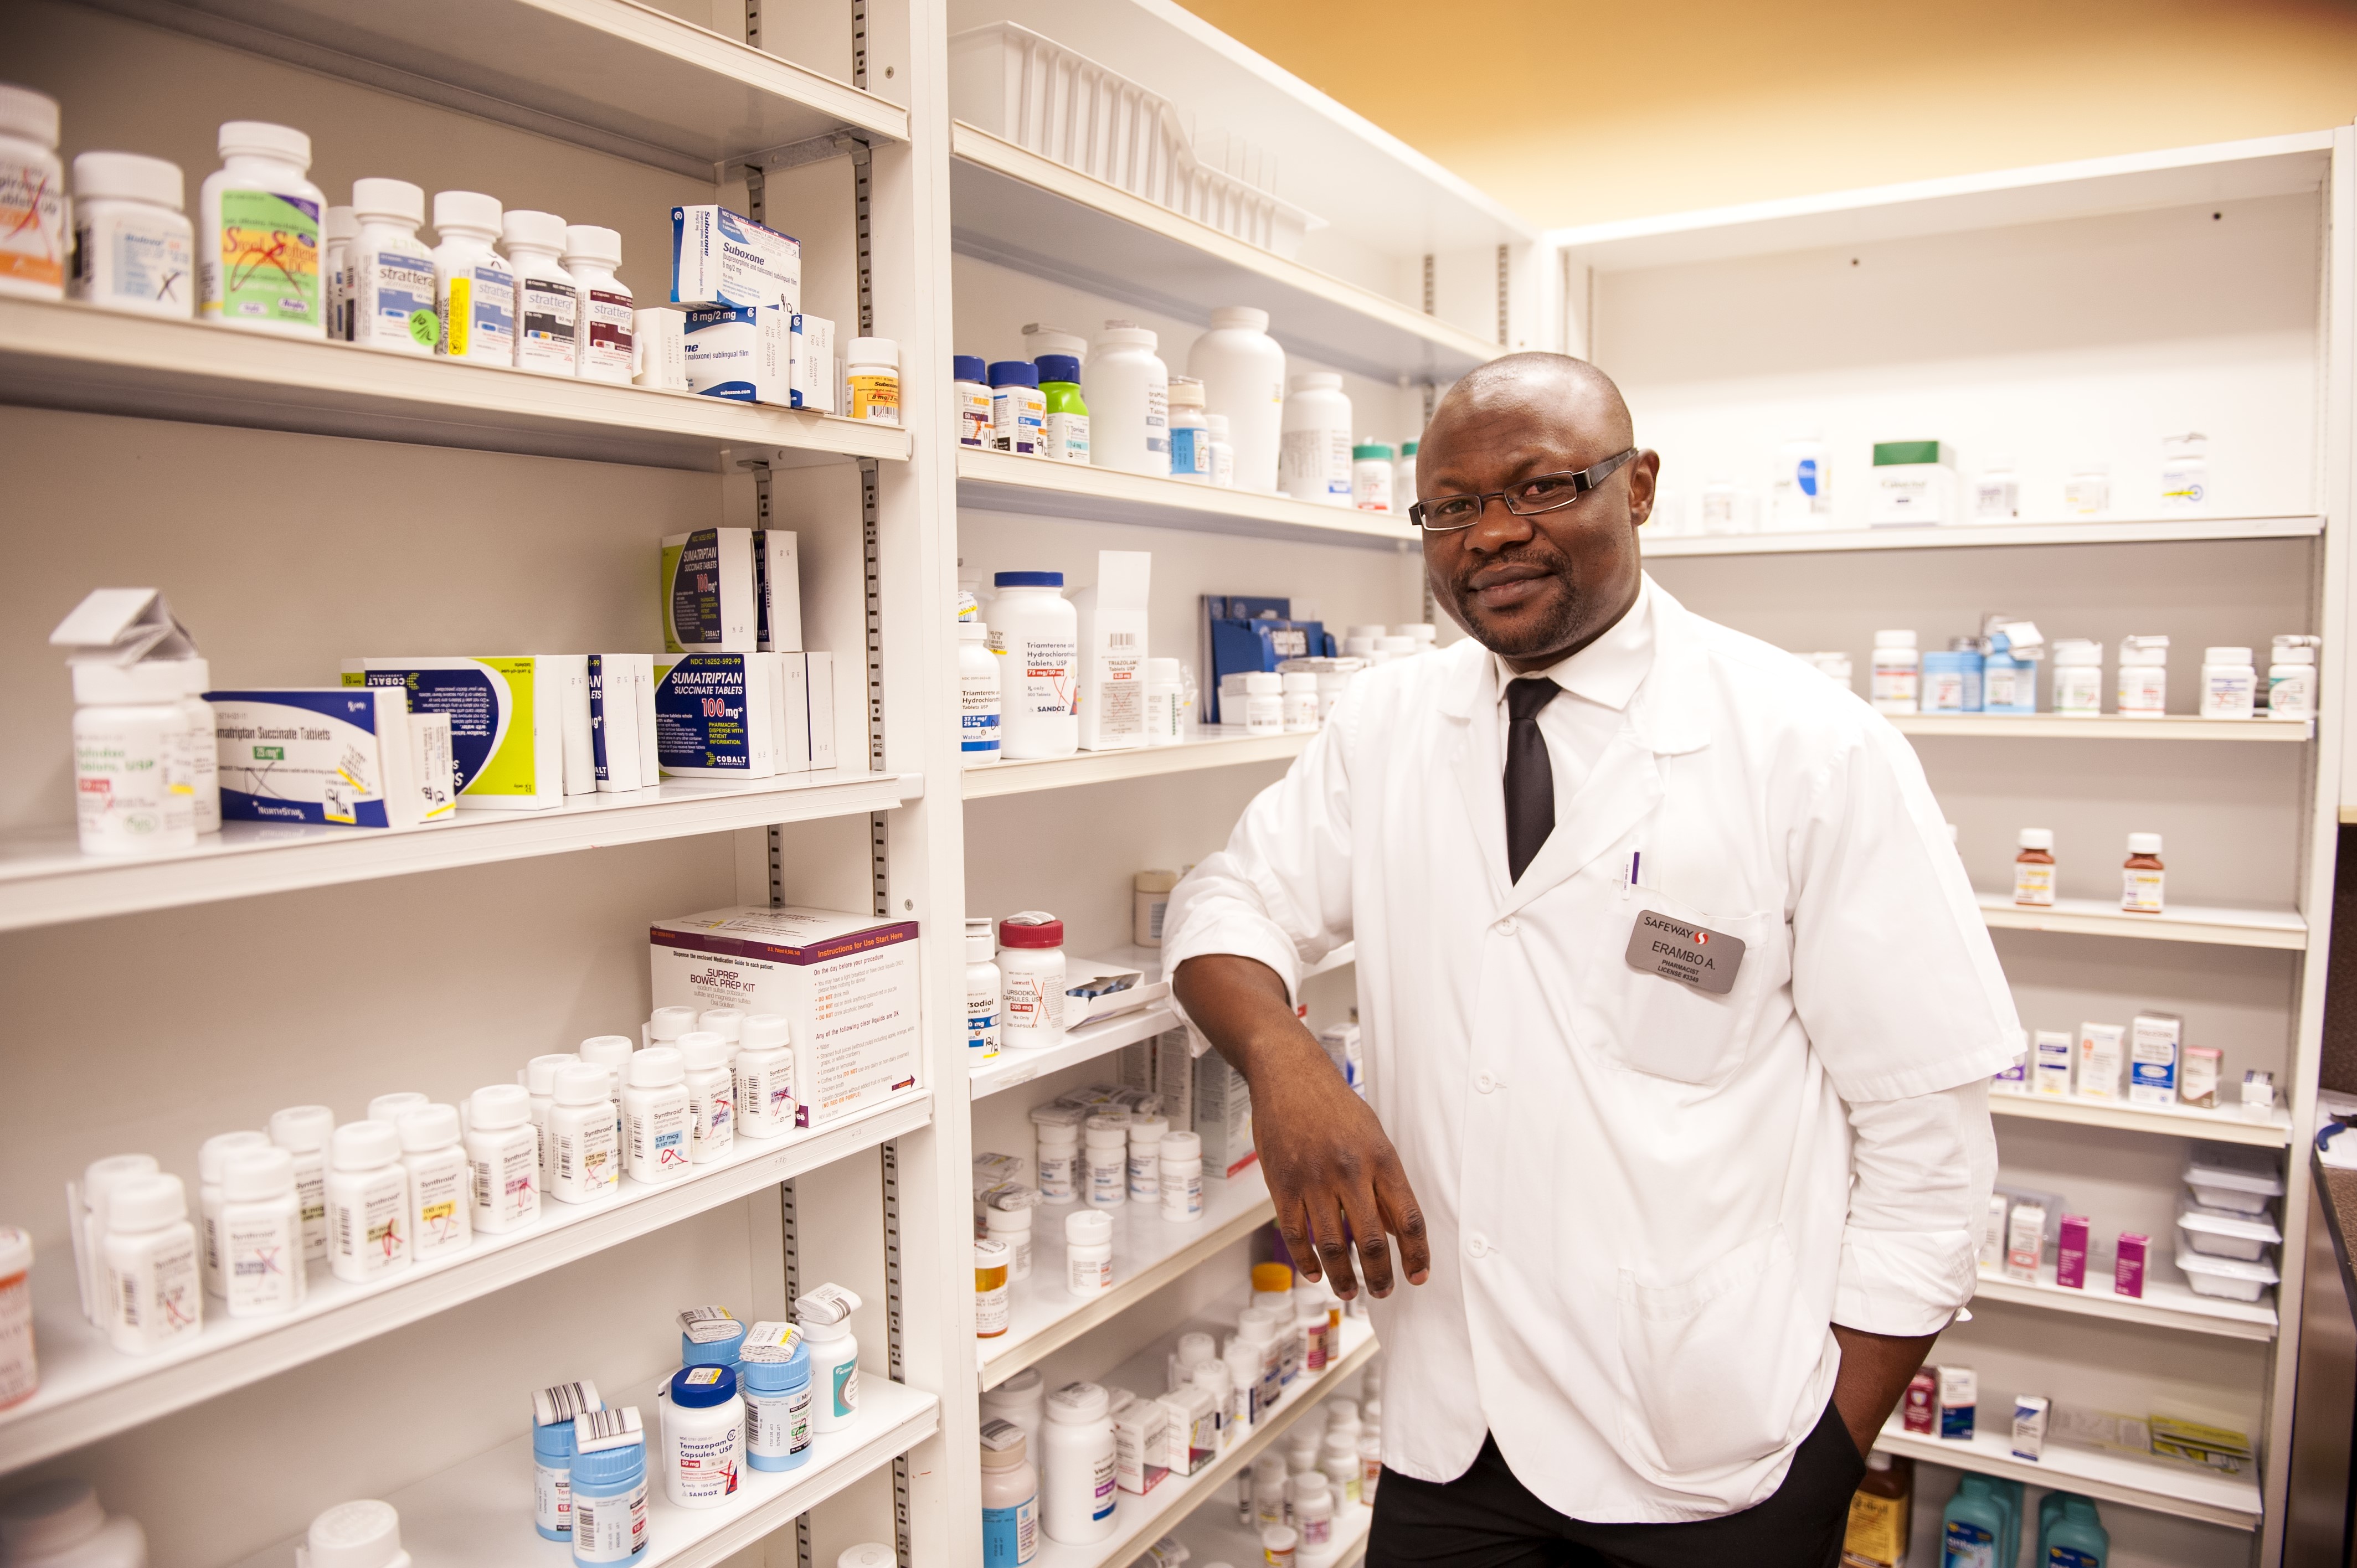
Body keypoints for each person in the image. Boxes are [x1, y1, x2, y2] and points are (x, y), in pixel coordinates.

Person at [1163, 353, 2013, 1566]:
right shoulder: (1388, 727)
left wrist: (1827, 1460)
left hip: (1714, 1460)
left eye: (1543, 486)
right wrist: (1281, 1059)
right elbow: (1227, 899)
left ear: (1641, 487)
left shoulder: (1808, 748)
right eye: (1451, 507)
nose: (1493, 534)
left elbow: (1929, 1144)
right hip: (1451, 1442)